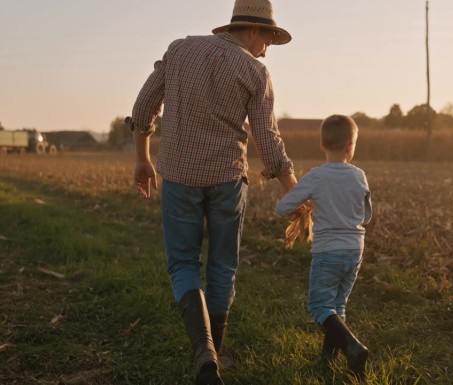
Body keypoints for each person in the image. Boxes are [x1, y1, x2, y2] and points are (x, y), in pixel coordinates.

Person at [127, 1, 297, 384]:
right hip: (226, 181)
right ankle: (215, 353)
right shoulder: (256, 71)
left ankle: (202, 351)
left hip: (179, 177)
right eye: (268, 39)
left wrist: (142, 158)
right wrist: (294, 190)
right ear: (253, 30)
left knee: (184, 264)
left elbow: (143, 107)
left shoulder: (180, 49)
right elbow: (267, 139)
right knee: (222, 267)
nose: (267, 50)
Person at [275, 115, 372, 380]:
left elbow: (282, 207)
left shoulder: (316, 177)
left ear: (321, 144)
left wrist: (303, 207)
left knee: (319, 307)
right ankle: (327, 361)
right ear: (351, 147)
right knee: (337, 306)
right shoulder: (360, 175)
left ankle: (354, 348)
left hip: (328, 251)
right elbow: (366, 216)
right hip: (355, 250)